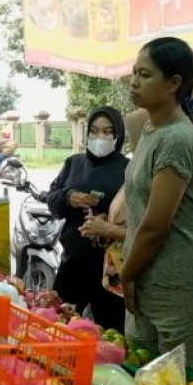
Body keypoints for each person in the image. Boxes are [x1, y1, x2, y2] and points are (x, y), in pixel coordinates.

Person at [118, 38, 193, 375]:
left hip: (189, 283)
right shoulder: (149, 129)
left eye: (145, 75)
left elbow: (155, 226)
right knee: (142, 382)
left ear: (173, 83)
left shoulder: (177, 139)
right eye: (133, 73)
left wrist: (126, 275)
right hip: (151, 277)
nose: (134, 82)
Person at [45, 107, 129, 330]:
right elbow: (51, 198)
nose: (100, 137)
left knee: (111, 333)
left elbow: (137, 216)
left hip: (110, 267)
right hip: (74, 261)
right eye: (94, 131)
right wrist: (69, 197)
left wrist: (107, 223)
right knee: (58, 325)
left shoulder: (128, 170)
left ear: (118, 135)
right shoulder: (74, 163)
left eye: (108, 132)